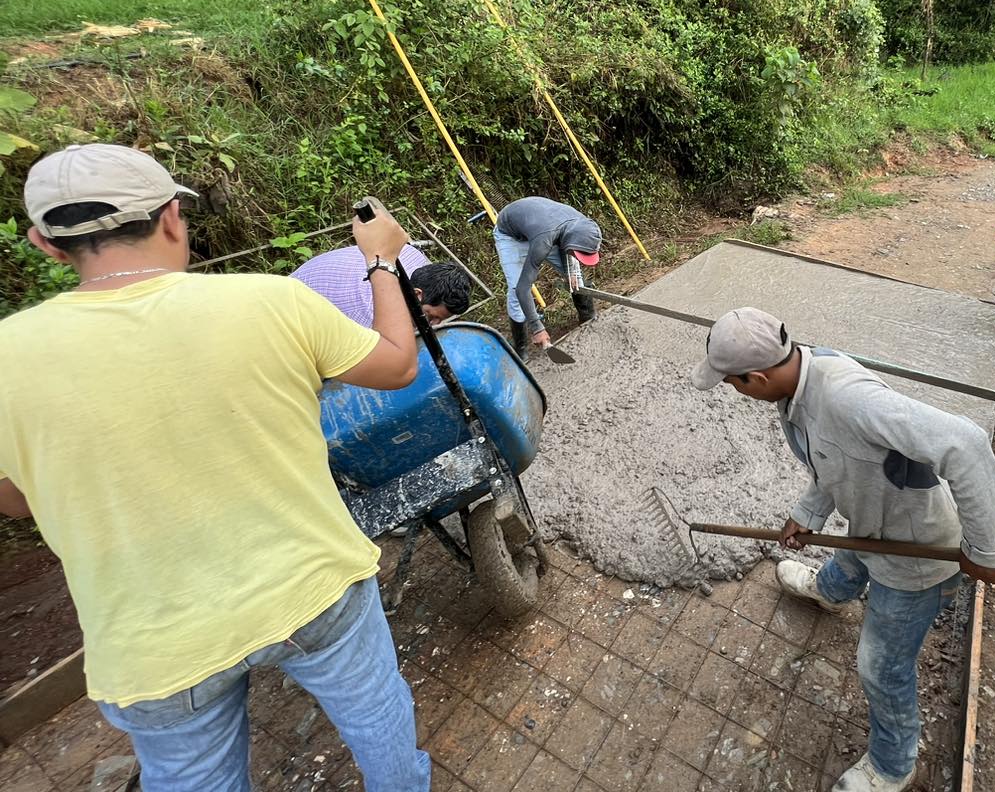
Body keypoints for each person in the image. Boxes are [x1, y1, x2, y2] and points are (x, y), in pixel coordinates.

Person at [0, 144, 431, 791]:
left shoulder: (10, 358)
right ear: (172, 217)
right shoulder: (271, 302)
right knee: (379, 722)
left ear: (46, 244)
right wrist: (381, 257)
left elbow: (16, 499)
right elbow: (399, 364)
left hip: (153, 642)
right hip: (310, 586)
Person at [691, 308, 995, 792]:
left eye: (733, 384)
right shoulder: (800, 383)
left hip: (915, 551)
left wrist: (987, 551)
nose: (735, 392)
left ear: (756, 377)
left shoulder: (847, 399)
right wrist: (808, 513)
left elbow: (964, 444)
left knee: (880, 667)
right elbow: (832, 460)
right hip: (871, 525)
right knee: (851, 556)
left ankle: (892, 766)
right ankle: (830, 593)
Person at [483, 196, 601, 353]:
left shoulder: (580, 224)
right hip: (511, 237)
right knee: (515, 289)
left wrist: (570, 272)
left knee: (575, 277)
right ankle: (521, 349)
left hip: (544, 228)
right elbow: (522, 289)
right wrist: (536, 326)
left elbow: (566, 242)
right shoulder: (545, 239)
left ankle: (587, 319)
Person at [292, 244, 473, 327]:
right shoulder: (371, 316)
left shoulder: (413, 258)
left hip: (324, 277)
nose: (433, 325)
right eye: (430, 317)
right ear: (417, 295)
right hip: (290, 305)